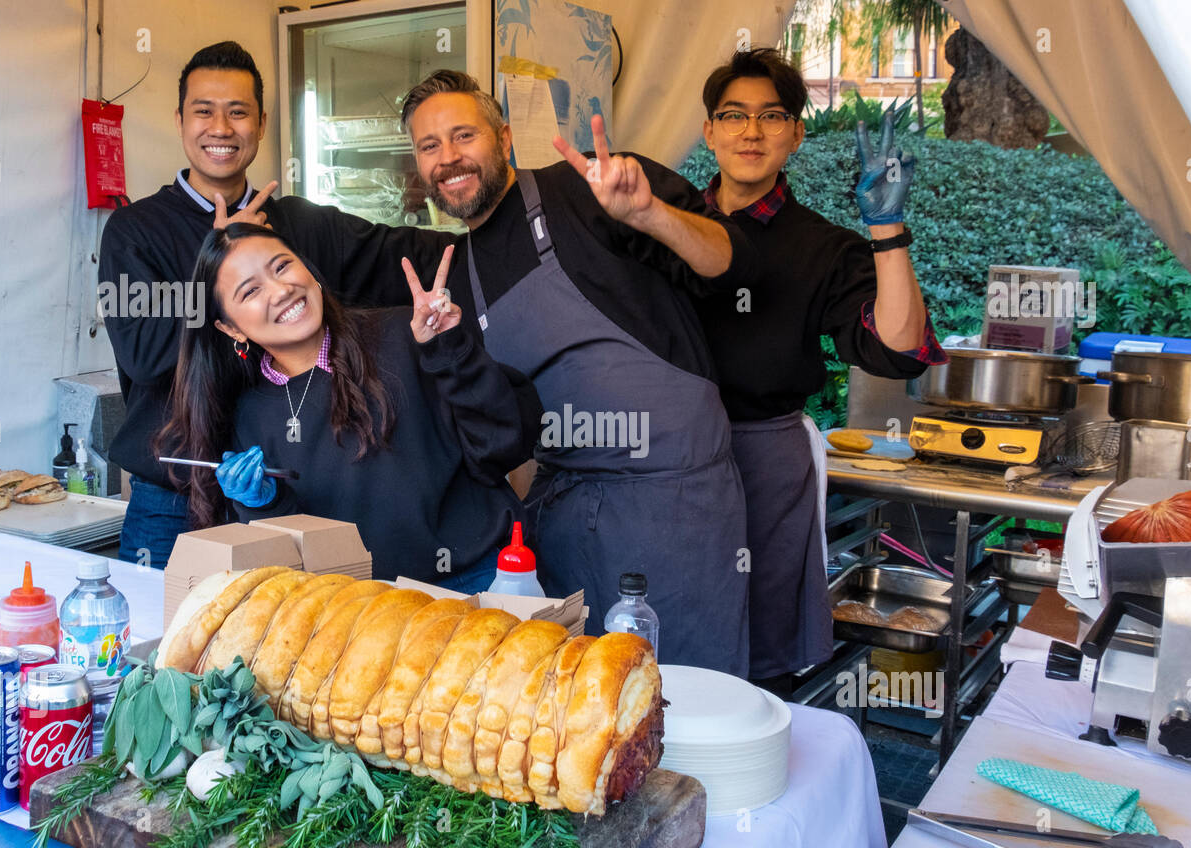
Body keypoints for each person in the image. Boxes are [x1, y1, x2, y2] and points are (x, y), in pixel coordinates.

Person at [400, 70, 757, 676]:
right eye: (429, 146)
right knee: (571, 702)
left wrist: (648, 214)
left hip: (673, 509)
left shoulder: (591, 187)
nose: (448, 158)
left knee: (685, 698)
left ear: (505, 137)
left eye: (464, 136)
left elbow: (733, 266)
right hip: (563, 514)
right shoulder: (458, 271)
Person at [100, 41, 446, 568]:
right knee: (161, 644)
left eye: (238, 112)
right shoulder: (134, 229)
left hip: (288, 489)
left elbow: (406, 256)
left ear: (261, 124)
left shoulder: (304, 225)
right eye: (204, 111)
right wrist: (219, 253)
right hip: (173, 496)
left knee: (277, 646)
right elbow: (143, 353)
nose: (221, 127)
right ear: (179, 120)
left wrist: (508, 219)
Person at [693, 48, 947, 685]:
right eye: (733, 115)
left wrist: (887, 230)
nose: (751, 132)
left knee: (762, 647)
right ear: (709, 131)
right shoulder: (666, 223)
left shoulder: (824, 247)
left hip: (766, 460)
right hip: (667, 460)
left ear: (797, 135)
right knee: (672, 632)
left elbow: (897, 349)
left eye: (772, 116)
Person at [158, 223, 541, 591]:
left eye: (282, 266)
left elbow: (505, 446)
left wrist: (450, 351)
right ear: (230, 328)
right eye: (250, 291)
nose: (280, 290)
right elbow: (294, 561)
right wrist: (263, 504)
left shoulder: (403, 335)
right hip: (358, 610)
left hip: (476, 581)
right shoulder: (246, 413)